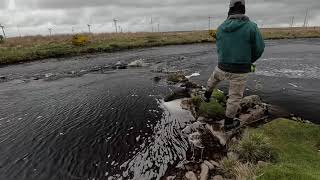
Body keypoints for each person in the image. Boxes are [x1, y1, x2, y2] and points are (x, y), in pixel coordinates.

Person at [205, 0, 265, 131]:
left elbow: (219, 47)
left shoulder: (220, 27)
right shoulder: (251, 26)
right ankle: (228, 123)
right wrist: (249, 60)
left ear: (230, 10)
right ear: (243, 9)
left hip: (222, 65)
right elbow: (260, 48)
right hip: (240, 70)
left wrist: (223, 58)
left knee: (213, 78)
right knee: (234, 96)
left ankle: (206, 96)